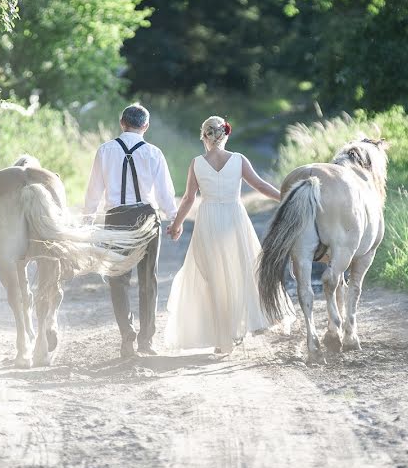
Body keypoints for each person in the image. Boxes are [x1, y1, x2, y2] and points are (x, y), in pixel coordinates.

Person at [165, 116, 294, 353]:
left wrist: (176, 225)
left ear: (204, 136)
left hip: (209, 221)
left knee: (212, 277)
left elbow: (188, 198)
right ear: (226, 134)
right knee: (240, 271)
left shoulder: (196, 163)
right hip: (234, 218)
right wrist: (285, 197)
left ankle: (223, 339)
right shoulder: (238, 160)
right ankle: (238, 328)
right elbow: (261, 186)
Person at [85, 103, 178, 358]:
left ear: (121, 122)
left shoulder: (104, 150)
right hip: (146, 217)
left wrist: (88, 219)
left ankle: (127, 336)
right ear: (145, 126)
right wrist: (174, 219)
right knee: (148, 279)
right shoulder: (153, 152)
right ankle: (147, 341)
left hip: (115, 218)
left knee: (118, 278)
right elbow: (164, 192)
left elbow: (94, 190)